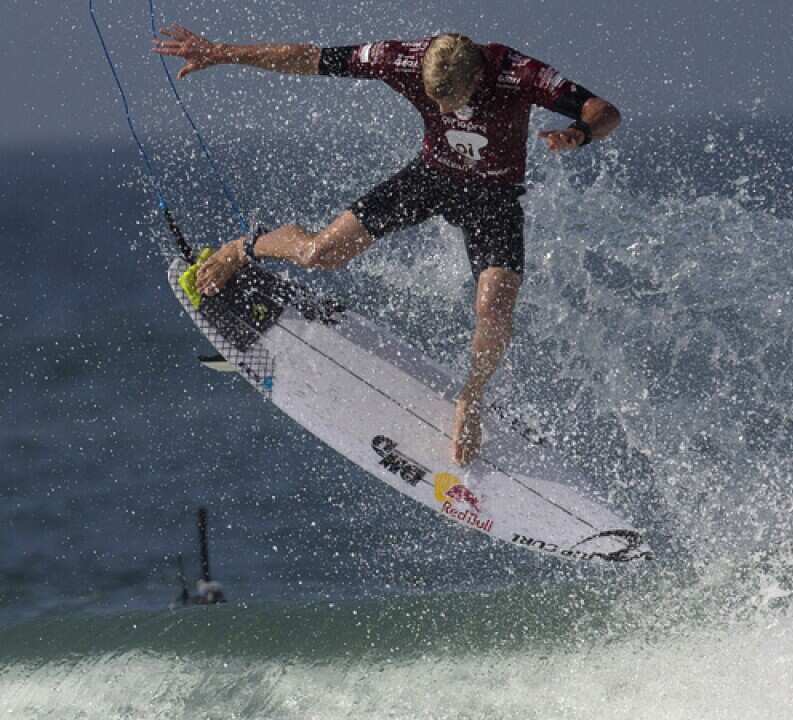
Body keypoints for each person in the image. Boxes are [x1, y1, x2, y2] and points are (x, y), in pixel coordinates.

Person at [153, 25, 621, 466]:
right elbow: (309, 58)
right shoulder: (403, 60)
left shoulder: (516, 72)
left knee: (495, 307)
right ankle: (242, 249)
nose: (442, 112)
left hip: (494, 197)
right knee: (319, 253)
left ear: (477, 76)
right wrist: (223, 53)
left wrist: (577, 134)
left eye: (451, 100)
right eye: (434, 101)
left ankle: (470, 400)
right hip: (432, 178)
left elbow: (604, 112)